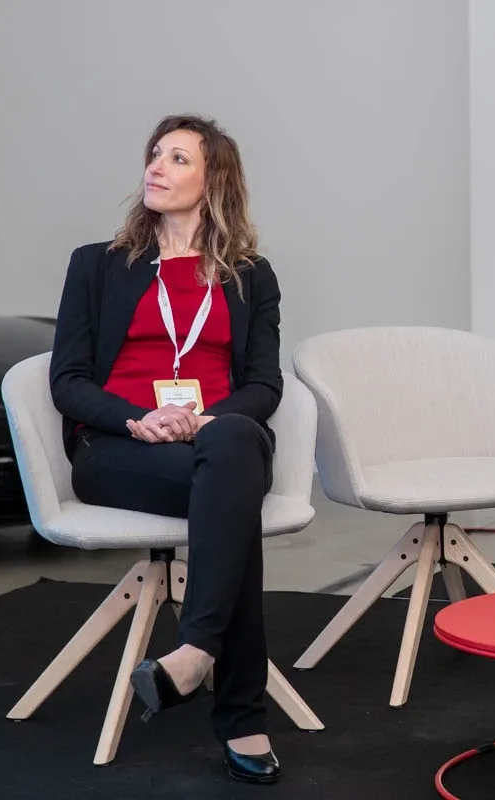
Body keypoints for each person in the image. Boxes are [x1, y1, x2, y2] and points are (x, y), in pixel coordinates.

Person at [48, 114, 285, 783]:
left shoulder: (250, 276)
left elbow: (264, 385)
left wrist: (207, 420)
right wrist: (136, 419)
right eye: (155, 154)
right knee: (233, 501)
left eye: (178, 158)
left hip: (216, 442)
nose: (156, 167)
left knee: (233, 446)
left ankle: (194, 652)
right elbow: (67, 381)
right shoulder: (97, 265)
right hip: (120, 448)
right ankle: (236, 707)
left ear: (215, 181)